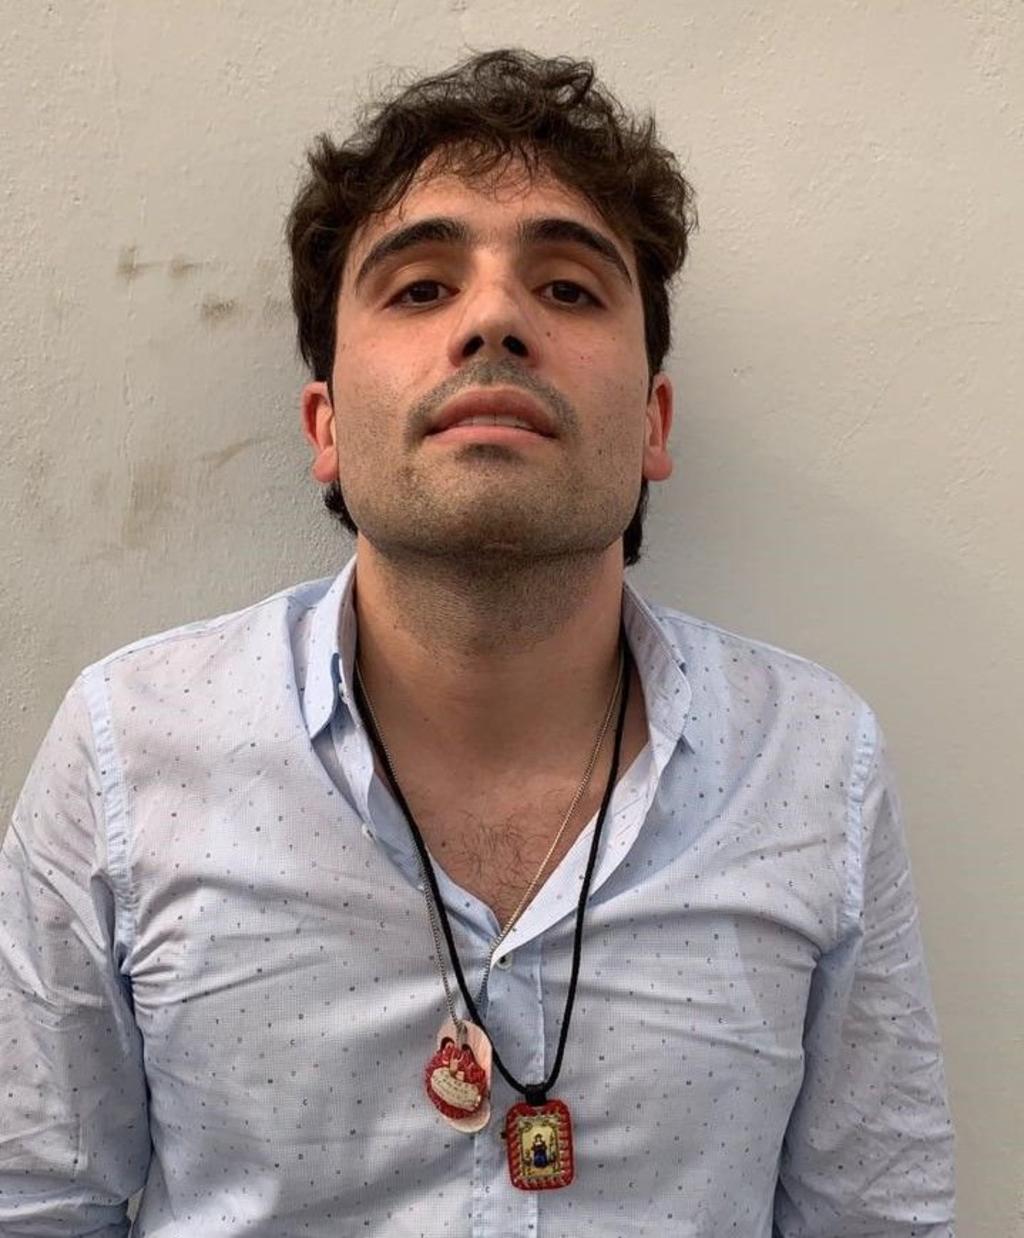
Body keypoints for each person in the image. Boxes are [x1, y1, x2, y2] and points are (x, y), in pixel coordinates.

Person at [0, 47, 955, 1236]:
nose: (494, 318)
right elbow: (34, 1201)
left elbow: (877, 1217)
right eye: (419, 288)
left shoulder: (812, 760)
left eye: (567, 288)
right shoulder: (127, 751)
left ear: (652, 424)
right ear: (325, 425)